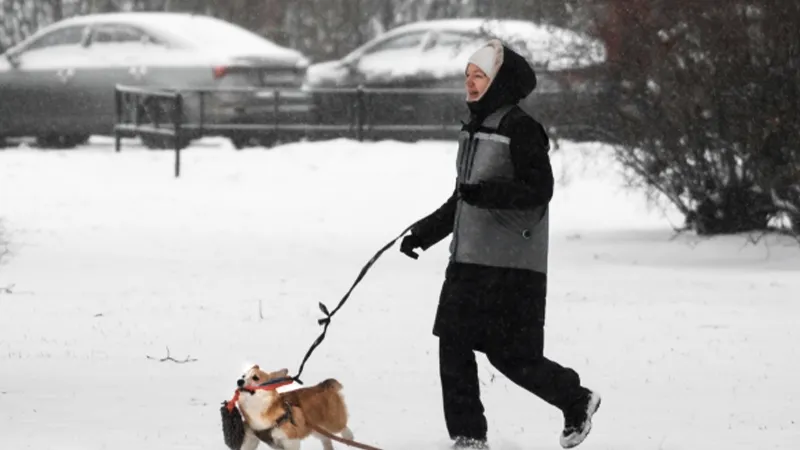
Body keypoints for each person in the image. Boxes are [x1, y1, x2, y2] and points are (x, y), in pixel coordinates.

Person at [399, 39, 601, 449]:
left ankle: (575, 398)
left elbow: (538, 190)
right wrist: (425, 232)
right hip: (469, 261)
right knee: (453, 343)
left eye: (480, 77)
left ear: (500, 83)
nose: (471, 85)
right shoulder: (473, 130)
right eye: (468, 77)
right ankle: (469, 437)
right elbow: (464, 196)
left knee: (512, 358)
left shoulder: (521, 128)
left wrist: (487, 195)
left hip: (512, 266)